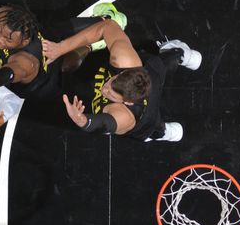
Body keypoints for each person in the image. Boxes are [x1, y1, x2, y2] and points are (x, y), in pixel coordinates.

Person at [41, 18, 201, 142]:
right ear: (122, 73)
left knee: (151, 128)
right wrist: (61, 48)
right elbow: (107, 26)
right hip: (150, 72)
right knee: (159, 63)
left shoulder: (124, 116)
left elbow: (104, 124)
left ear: (128, 102)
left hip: (146, 119)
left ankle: (164, 132)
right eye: (112, 81)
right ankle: (181, 55)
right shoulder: (124, 60)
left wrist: (82, 120)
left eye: (111, 93)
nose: (105, 88)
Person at [0, 4, 126, 100]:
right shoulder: (3, 19)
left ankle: (94, 41)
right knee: (60, 31)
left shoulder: (26, 61)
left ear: (24, 41)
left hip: (43, 79)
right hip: (45, 35)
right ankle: (99, 28)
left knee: (65, 65)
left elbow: (11, 72)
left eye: (8, 40)